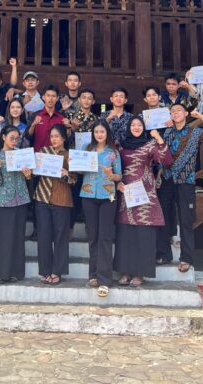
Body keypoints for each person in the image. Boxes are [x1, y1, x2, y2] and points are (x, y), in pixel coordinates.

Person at [156, 104, 203, 272]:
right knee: (164, 217)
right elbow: (162, 155)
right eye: (172, 111)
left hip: (185, 180)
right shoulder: (167, 132)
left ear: (186, 113)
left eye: (178, 110)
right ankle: (164, 254)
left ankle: (186, 258)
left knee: (186, 220)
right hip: (167, 178)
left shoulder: (195, 132)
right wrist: (159, 174)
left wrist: (201, 117)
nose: (175, 113)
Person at [114, 116, 172, 286]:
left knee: (143, 233)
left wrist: (159, 138)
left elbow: (166, 160)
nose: (136, 127)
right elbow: (115, 167)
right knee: (125, 233)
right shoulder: (121, 146)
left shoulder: (150, 144)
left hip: (145, 193)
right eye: (133, 125)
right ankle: (125, 271)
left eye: (139, 125)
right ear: (128, 127)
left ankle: (140, 273)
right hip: (125, 192)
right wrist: (117, 183)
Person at [80, 119, 122, 297]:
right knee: (93, 236)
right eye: (96, 132)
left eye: (102, 132)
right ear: (93, 134)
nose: (99, 134)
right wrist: (77, 166)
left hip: (107, 197)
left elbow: (119, 176)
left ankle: (104, 280)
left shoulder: (113, 152)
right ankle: (93, 275)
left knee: (105, 237)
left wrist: (111, 175)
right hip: (88, 195)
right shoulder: (86, 149)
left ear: (107, 134)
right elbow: (80, 171)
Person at [34, 124, 75, 285]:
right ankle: (45, 271)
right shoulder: (43, 152)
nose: (54, 139)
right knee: (43, 236)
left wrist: (66, 174)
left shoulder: (69, 156)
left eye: (57, 136)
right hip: (42, 198)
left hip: (62, 199)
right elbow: (35, 172)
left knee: (60, 237)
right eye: (52, 136)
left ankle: (57, 271)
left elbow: (74, 180)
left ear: (63, 138)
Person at [0, 126, 32, 283]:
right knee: (4, 237)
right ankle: (2, 273)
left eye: (17, 138)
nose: (14, 141)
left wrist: (28, 175)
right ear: (3, 137)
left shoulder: (22, 155)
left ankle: (16, 272)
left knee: (18, 237)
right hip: (4, 201)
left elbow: (28, 178)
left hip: (21, 199)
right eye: (11, 138)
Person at [68, 88, 97, 228]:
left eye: (89, 98)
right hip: (74, 161)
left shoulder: (96, 119)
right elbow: (64, 138)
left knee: (88, 194)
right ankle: (69, 229)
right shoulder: (70, 116)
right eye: (83, 97)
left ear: (93, 101)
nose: (86, 100)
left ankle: (89, 228)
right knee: (73, 195)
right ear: (79, 99)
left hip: (89, 161)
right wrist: (71, 129)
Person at [27, 84, 67, 151]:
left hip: (56, 155)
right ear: (43, 97)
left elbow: (65, 138)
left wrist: (69, 127)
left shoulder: (61, 117)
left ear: (57, 98)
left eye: (53, 96)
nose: (50, 99)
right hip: (38, 154)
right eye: (48, 96)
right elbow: (28, 136)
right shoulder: (36, 115)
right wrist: (33, 124)